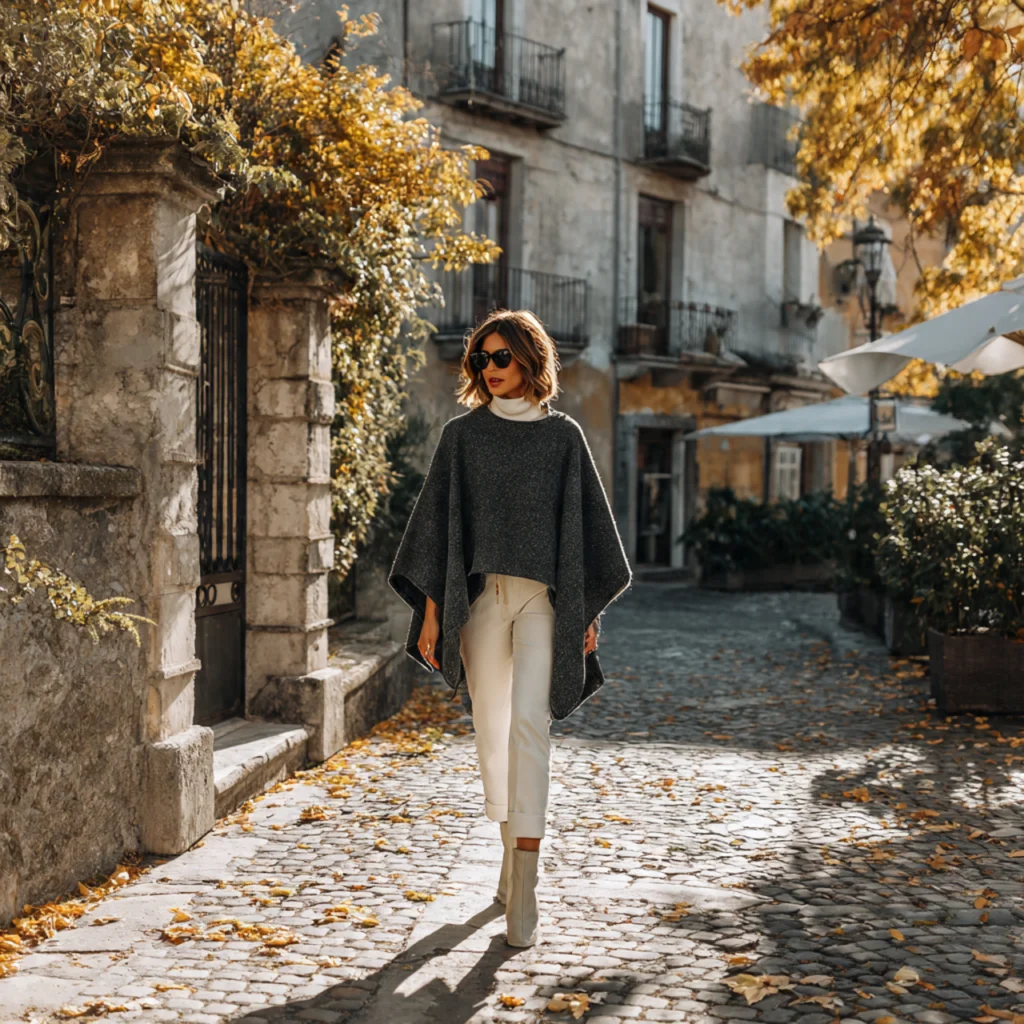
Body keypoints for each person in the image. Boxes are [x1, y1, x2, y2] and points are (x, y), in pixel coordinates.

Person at [388, 308, 633, 948]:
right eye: (480, 359)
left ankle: (525, 885)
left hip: (545, 605)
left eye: (501, 357)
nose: (490, 369)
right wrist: (435, 614)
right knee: (491, 730)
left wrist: (588, 612)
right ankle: (508, 845)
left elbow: (585, 538)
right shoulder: (462, 437)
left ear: (530, 358)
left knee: (532, 726)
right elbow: (440, 532)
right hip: (481, 606)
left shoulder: (565, 439)